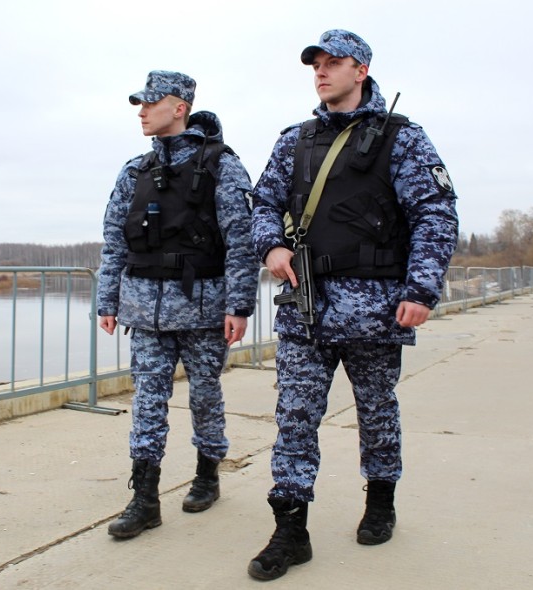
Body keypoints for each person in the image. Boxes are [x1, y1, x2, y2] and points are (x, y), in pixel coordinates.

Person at [247, 30, 459, 580]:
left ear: (360, 69)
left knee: (377, 412)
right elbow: (264, 202)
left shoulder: (402, 138)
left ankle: (381, 502)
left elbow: (435, 213)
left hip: (375, 308)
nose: (321, 72)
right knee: (294, 418)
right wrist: (270, 244)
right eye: (315, 65)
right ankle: (290, 529)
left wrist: (420, 289)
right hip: (305, 307)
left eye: (333, 63)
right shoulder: (294, 141)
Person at [97, 70, 260, 539]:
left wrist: (240, 306)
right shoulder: (135, 171)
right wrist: (108, 300)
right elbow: (113, 242)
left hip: (204, 310)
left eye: (152, 103)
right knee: (148, 400)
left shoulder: (222, 166)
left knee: (205, 395)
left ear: (180, 107)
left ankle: (208, 474)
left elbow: (240, 241)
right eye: (140, 105)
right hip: (144, 309)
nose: (142, 112)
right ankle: (144, 499)